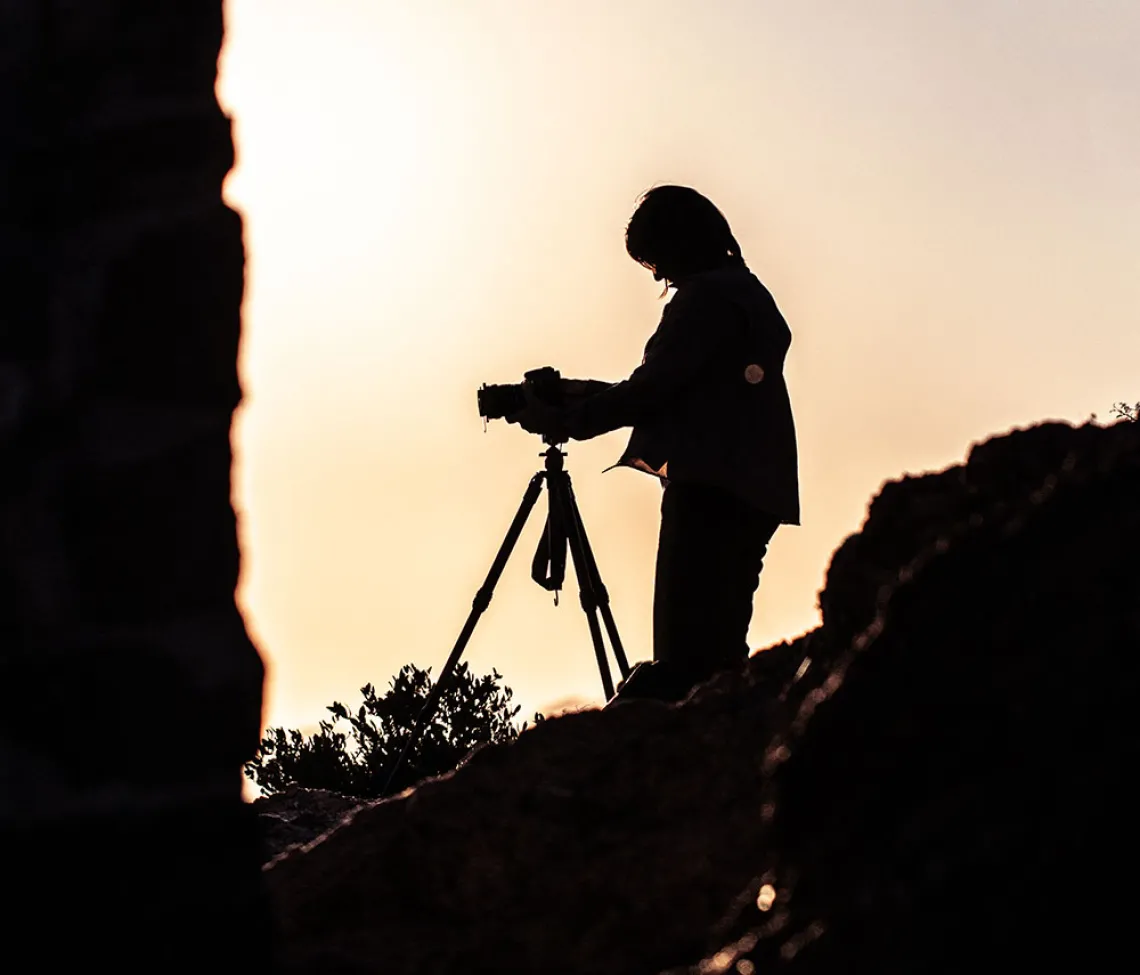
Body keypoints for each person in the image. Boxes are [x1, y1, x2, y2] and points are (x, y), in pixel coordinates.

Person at [509, 185, 799, 701]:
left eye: (657, 262)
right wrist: (578, 398)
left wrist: (571, 420)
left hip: (711, 489)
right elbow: (680, 389)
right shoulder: (745, 293)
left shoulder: (704, 300)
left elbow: (650, 392)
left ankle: (661, 752)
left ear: (679, 245)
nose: (659, 276)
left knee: (683, 661)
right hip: (752, 488)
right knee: (719, 649)